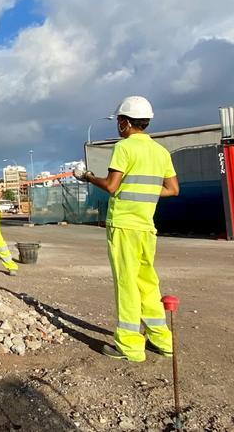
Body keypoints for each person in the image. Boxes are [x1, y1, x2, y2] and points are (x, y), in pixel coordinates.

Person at [76, 96, 179, 362]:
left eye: (119, 120)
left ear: (124, 123)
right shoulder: (160, 152)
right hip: (147, 228)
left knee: (127, 284)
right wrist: (141, 189)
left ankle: (130, 347)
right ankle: (162, 340)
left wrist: (87, 176)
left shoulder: (124, 147)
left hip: (123, 226)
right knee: (147, 283)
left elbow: (111, 186)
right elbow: (172, 189)